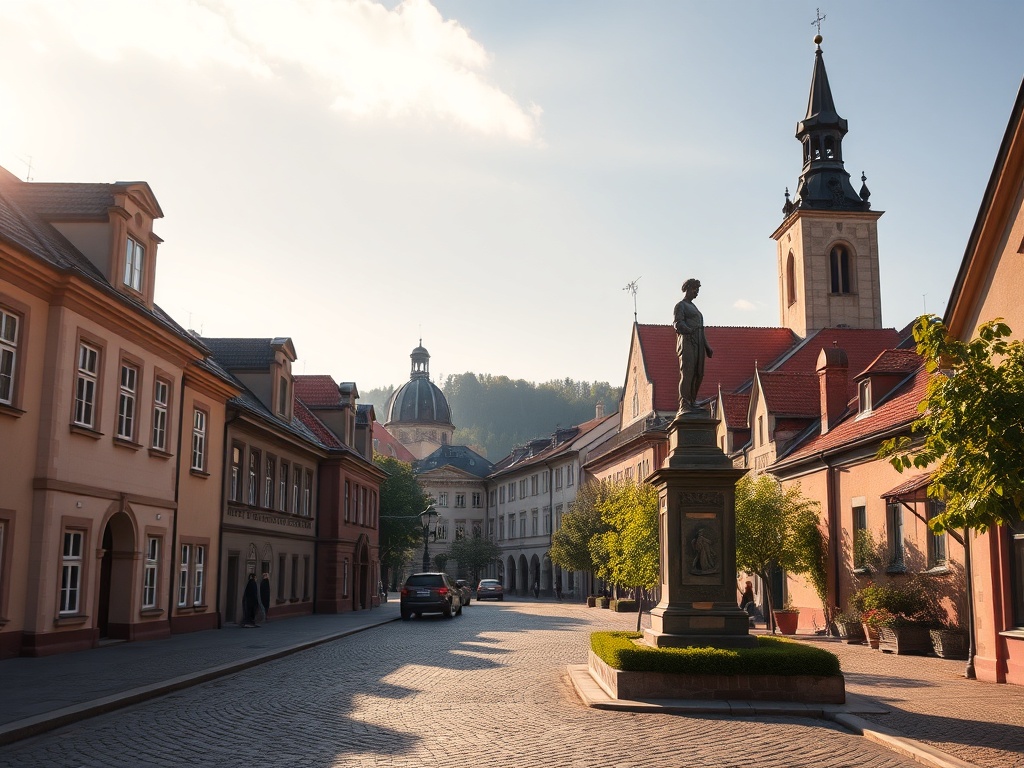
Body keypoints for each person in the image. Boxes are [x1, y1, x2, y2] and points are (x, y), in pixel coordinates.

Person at [673, 278, 713, 414]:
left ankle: (692, 400)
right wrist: (688, 329)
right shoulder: (681, 305)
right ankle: (684, 403)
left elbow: (701, 329)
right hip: (687, 342)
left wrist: (707, 346)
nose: (697, 293)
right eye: (695, 289)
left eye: (698, 290)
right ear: (688, 289)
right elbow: (677, 323)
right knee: (688, 373)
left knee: (699, 373)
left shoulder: (695, 308)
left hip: (699, 343)